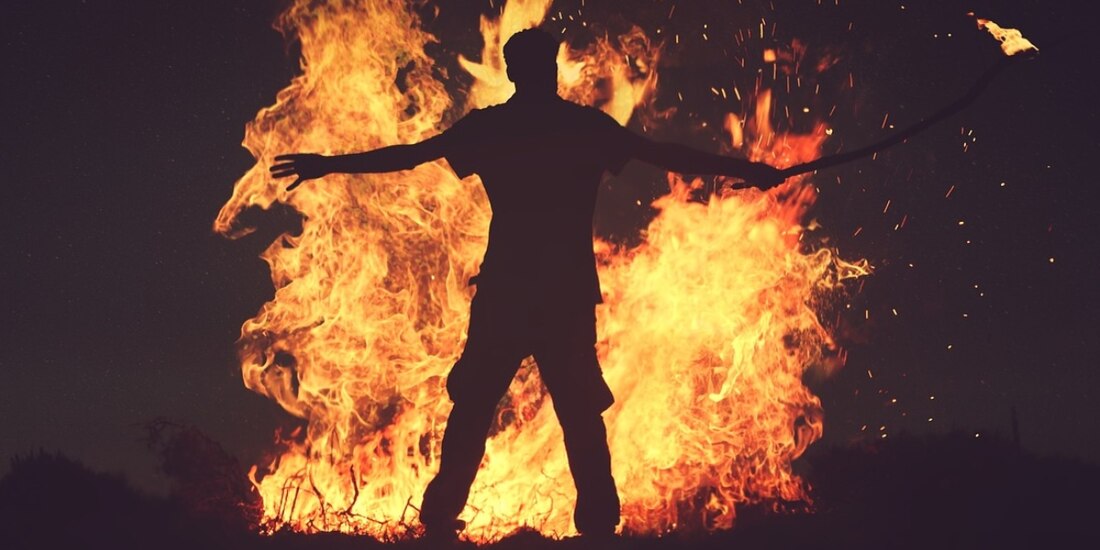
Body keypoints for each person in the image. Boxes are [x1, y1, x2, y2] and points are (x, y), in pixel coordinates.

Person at [270, 28, 786, 539]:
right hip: (559, 294)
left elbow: (410, 155)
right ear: (549, 69)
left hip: (509, 293)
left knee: (479, 406)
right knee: (575, 412)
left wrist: (328, 166)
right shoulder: (583, 127)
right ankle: (597, 527)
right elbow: (666, 154)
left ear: (516, 71)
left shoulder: (493, 128)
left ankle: (442, 520)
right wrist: (747, 169)